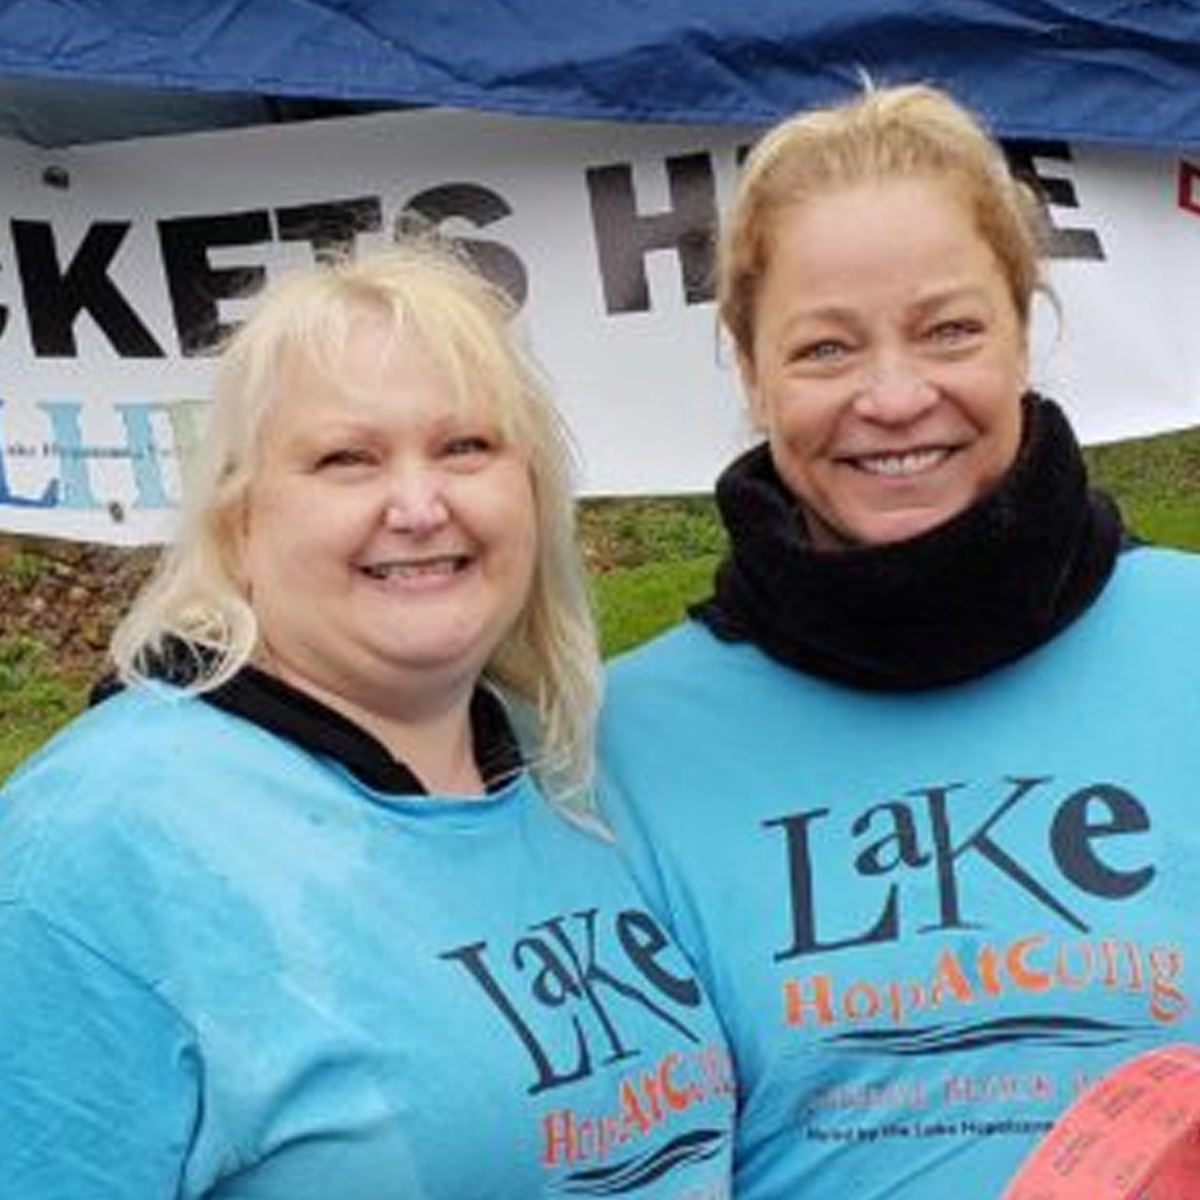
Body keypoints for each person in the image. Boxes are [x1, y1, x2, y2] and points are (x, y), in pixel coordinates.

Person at [0, 242, 736, 1199]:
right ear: (240, 523)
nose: (421, 504)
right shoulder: (92, 850)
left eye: (466, 447)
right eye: (347, 459)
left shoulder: (567, 774)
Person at [598, 83, 1200, 1199]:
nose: (893, 394)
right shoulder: (617, 746)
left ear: (1026, 332)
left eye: (950, 329)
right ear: (749, 368)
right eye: (826, 348)